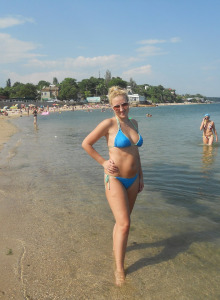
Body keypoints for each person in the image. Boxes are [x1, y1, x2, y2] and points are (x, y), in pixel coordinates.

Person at [82, 86, 144, 286]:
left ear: (129, 103)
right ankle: (119, 269)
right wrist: (103, 163)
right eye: (117, 106)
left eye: (124, 104)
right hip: (115, 179)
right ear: (111, 107)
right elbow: (86, 143)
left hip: (133, 180)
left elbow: (136, 153)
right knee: (125, 224)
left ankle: (116, 249)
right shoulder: (108, 124)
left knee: (122, 223)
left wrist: (141, 176)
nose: (121, 108)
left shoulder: (134, 123)